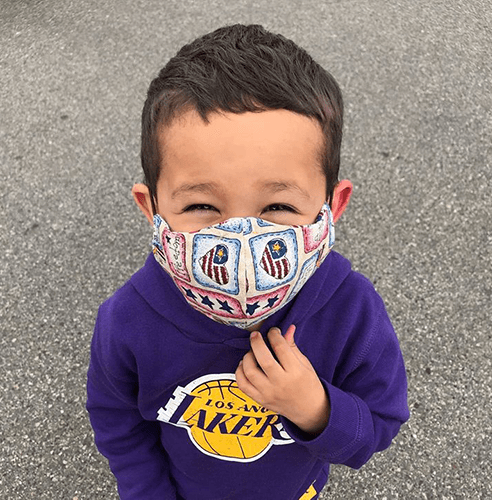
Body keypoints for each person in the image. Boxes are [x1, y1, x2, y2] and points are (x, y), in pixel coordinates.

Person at [86, 23, 409, 500]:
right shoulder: (128, 319)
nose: (240, 244)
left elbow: (378, 423)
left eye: (277, 208)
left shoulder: (349, 309)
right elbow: (118, 424)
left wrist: (315, 407)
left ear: (331, 208)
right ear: (152, 208)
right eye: (201, 207)